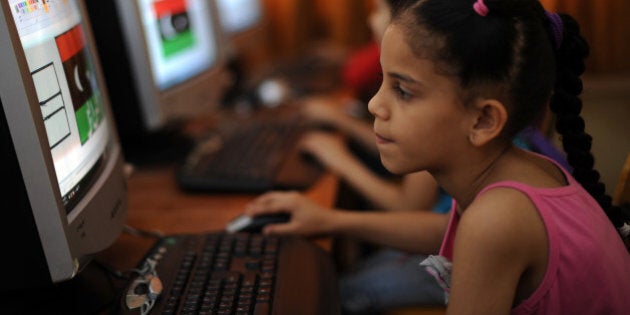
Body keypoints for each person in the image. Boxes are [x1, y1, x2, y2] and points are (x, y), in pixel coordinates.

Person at [248, 0, 630, 313]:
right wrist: (329, 219)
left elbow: (476, 236)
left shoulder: (499, 218)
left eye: (403, 91)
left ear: (482, 120)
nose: (374, 104)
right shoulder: (514, 173)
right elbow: (446, 233)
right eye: (383, 81)